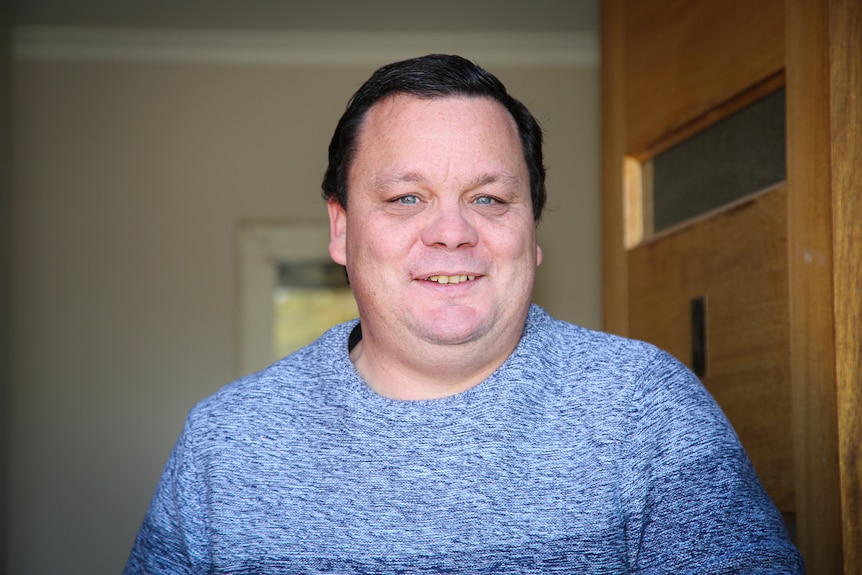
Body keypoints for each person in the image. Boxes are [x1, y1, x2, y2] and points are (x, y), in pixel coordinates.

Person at [125, 54, 804, 574]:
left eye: (487, 198)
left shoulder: (647, 408)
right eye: (406, 198)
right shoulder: (224, 443)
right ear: (339, 228)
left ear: (531, 230)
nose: (452, 232)